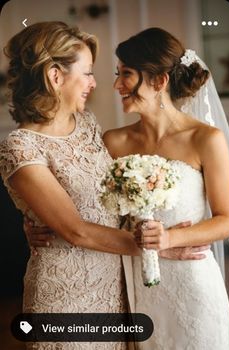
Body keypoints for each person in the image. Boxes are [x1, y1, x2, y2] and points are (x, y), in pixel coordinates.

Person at [0, 21, 208, 350]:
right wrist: (162, 249)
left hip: (116, 286)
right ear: (55, 76)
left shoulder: (88, 125)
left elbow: (110, 198)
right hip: (65, 296)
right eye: (86, 73)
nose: (95, 83)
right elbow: (75, 230)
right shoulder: (20, 147)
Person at [101, 27, 229, 349]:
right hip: (136, 282)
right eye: (117, 74)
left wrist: (170, 238)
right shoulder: (114, 141)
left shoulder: (206, 139)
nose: (117, 84)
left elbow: (227, 219)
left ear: (159, 81)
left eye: (127, 75)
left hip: (193, 281)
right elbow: (98, 213)